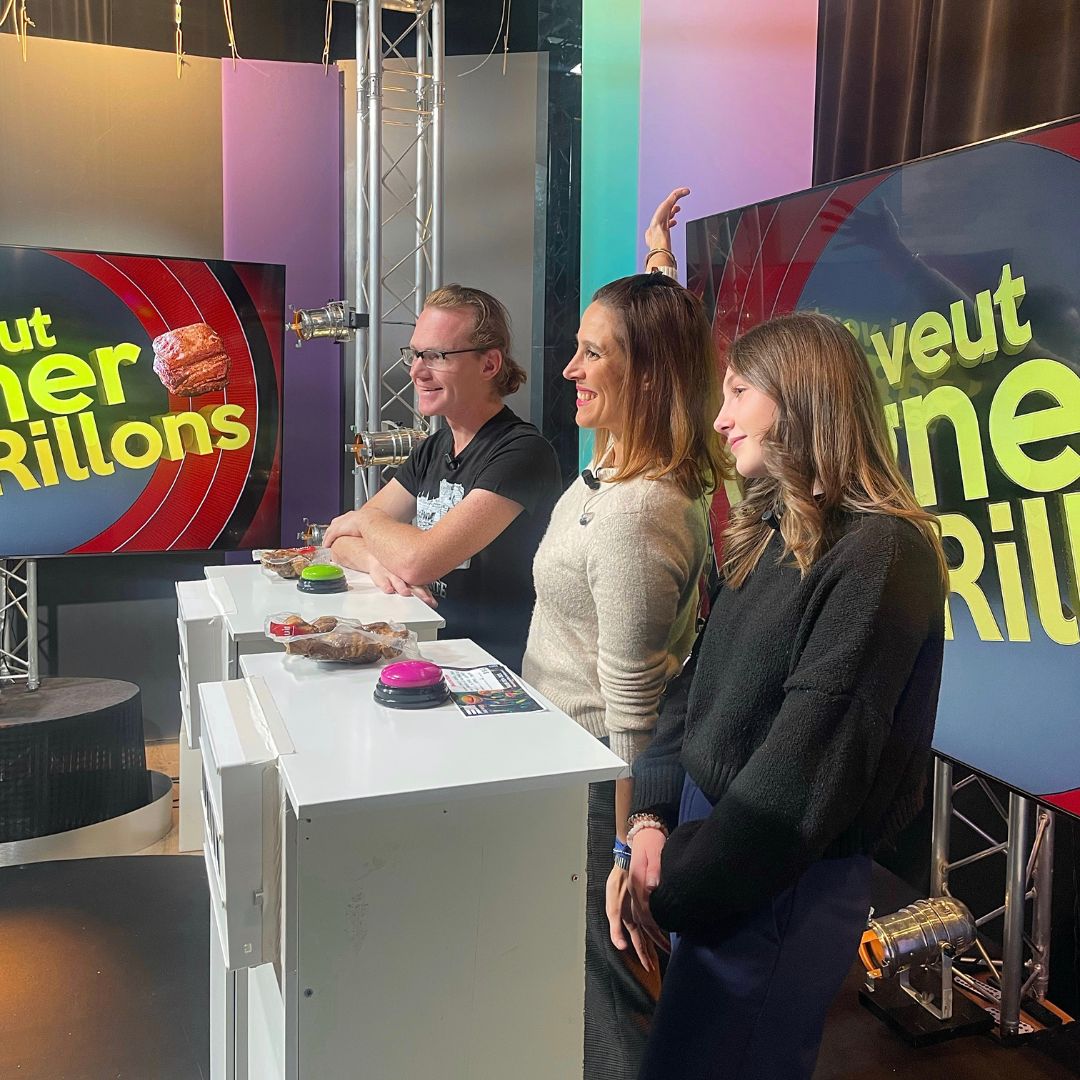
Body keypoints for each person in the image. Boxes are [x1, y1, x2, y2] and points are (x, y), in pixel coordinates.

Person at [618, 310, 948, 1080]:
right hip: (714, 852)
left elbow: (805, 771)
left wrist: (672, 885)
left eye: (739, 391)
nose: (720, 417)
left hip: (774, 878)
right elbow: (694, 691)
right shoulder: (769, 530)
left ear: (800, 398)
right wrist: (650, 820)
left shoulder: (880, 551)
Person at [522, 199, 728, 1079]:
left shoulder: (636, 513)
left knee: (605, 994)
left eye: (592, 353)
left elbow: (633, 713)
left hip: (595, 788)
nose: (569, 368)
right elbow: (665, 347)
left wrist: (621, 855)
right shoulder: (624, 469)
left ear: (644, 378)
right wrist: (658, 268)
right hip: (567, 772)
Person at [325, 284, 562, 672]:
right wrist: (379, 563)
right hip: (428, 656)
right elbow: (339, 541)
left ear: (489, 365)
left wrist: (366, 522)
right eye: (415, 354)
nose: (417, 371)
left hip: (491, 673)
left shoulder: (522, 452)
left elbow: (420, 561)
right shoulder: (434, 448)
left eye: (436, 356)